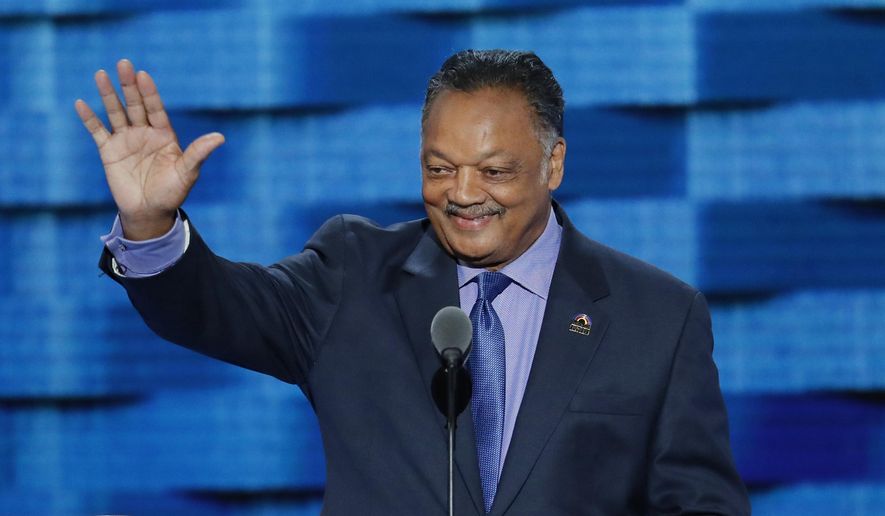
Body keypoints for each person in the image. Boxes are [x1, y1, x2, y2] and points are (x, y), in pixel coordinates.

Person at [76, 50, 751, 515]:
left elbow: (701, 504)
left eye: (494, 171)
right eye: (439, 168)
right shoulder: (353, 274)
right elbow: (211, 308)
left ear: (553, 165)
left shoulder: (657, 316)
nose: (463, 194)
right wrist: (150, 224)